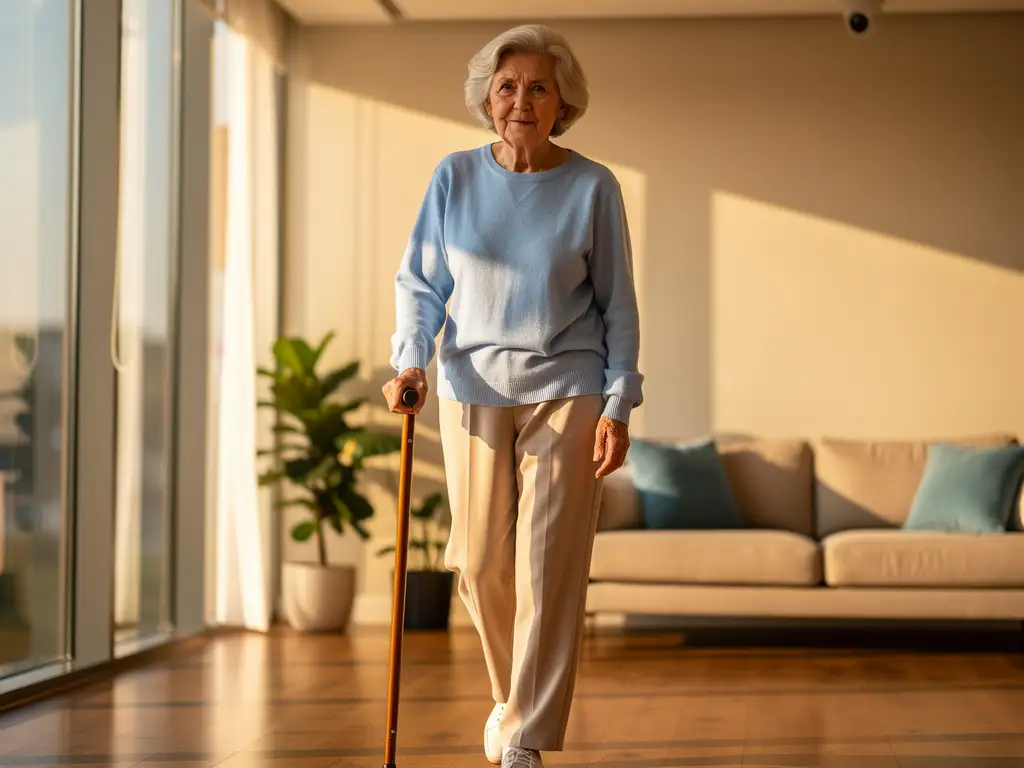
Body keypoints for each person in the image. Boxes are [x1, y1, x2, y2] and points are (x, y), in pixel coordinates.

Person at [382, 23, 643, 768]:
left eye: (538, 87)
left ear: (562, 103)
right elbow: (422, 285)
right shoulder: (454, 178)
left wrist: (619, 402)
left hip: (570, 385)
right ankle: (513, 702)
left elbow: (618, 305)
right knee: (479, 565)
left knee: (548, 568)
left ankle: (523, 739)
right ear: (486, 99)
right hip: (472, 386)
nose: (520, 100)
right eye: (507, 86)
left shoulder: (593, 187)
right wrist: (411, 361)